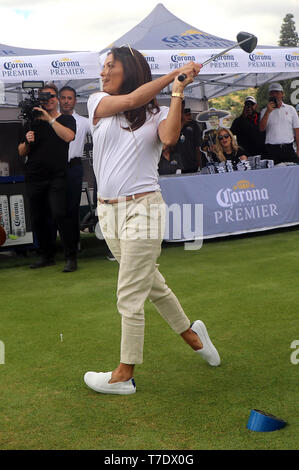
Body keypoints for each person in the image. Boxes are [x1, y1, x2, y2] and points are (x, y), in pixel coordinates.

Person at [83, 46, 220, 396]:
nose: (103, 72)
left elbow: (170, 137)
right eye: (104, 67)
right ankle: (192, 335)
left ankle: (123, 375)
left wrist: (177, 90)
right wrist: (172, 76)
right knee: (151, 284)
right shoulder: (97, 100)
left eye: (110, 66)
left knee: (129, 293)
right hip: (107, 211)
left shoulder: (158, 111)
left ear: (128, 69)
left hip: (144, 208)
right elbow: (131, 101)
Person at [18, 83, 76, 270]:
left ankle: (70, 257)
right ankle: (46, 256)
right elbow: (21, 151)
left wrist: (49, 119)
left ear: (57, 98)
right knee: (38, 217)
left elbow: (68, 137)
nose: (48, 100)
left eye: (51, 96)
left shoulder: (66, 119)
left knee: (60, 214)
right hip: (34, 176)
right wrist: (27, 141)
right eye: (44, 97)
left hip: (57, 176)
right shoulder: (32, 121)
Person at [58, 86, 91, 271]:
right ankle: (64, 248)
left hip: (74, 167)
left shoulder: (84, 122)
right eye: (63, 98)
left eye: (69, 98)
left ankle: (73, 249)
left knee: (72, 209)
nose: (66, 101)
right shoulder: (53, 120)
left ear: (75, 100)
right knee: (59, 210)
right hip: (55, 168)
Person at [259, 82, 299, 164]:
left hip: (288, 148)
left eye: (277, 92)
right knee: (273, 174)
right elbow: (261, 128)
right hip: (272, 149)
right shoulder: (264, 111)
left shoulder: (291, 109)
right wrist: (268, 112)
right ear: (269, 95)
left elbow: (297, 130)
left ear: (282, 94)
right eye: (272, 93)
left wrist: (298, 149)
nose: (275, 95)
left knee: (294, 172)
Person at [175, 104, 202, 173]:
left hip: (192, 162)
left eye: (190, 114)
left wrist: (199, 163)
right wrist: (182, 123)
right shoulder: (174, 124)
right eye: (186, 115)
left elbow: (197, 146)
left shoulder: (194, 125)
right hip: (177, 162)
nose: (189, 117)